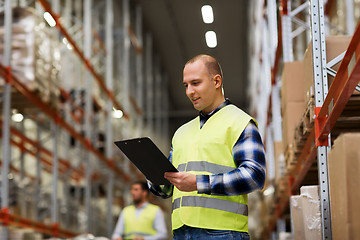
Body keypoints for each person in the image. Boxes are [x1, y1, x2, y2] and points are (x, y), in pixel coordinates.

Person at [149, 54, 266, 239]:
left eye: (195, 83)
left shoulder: (239, 123)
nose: (189, 91)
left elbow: (254, 176)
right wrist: (153, 174)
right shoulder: (181, 132)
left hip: (223, 233)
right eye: (186, 85)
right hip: (182, 233)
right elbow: (165, 190)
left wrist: (198, 183)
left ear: (216, 81)